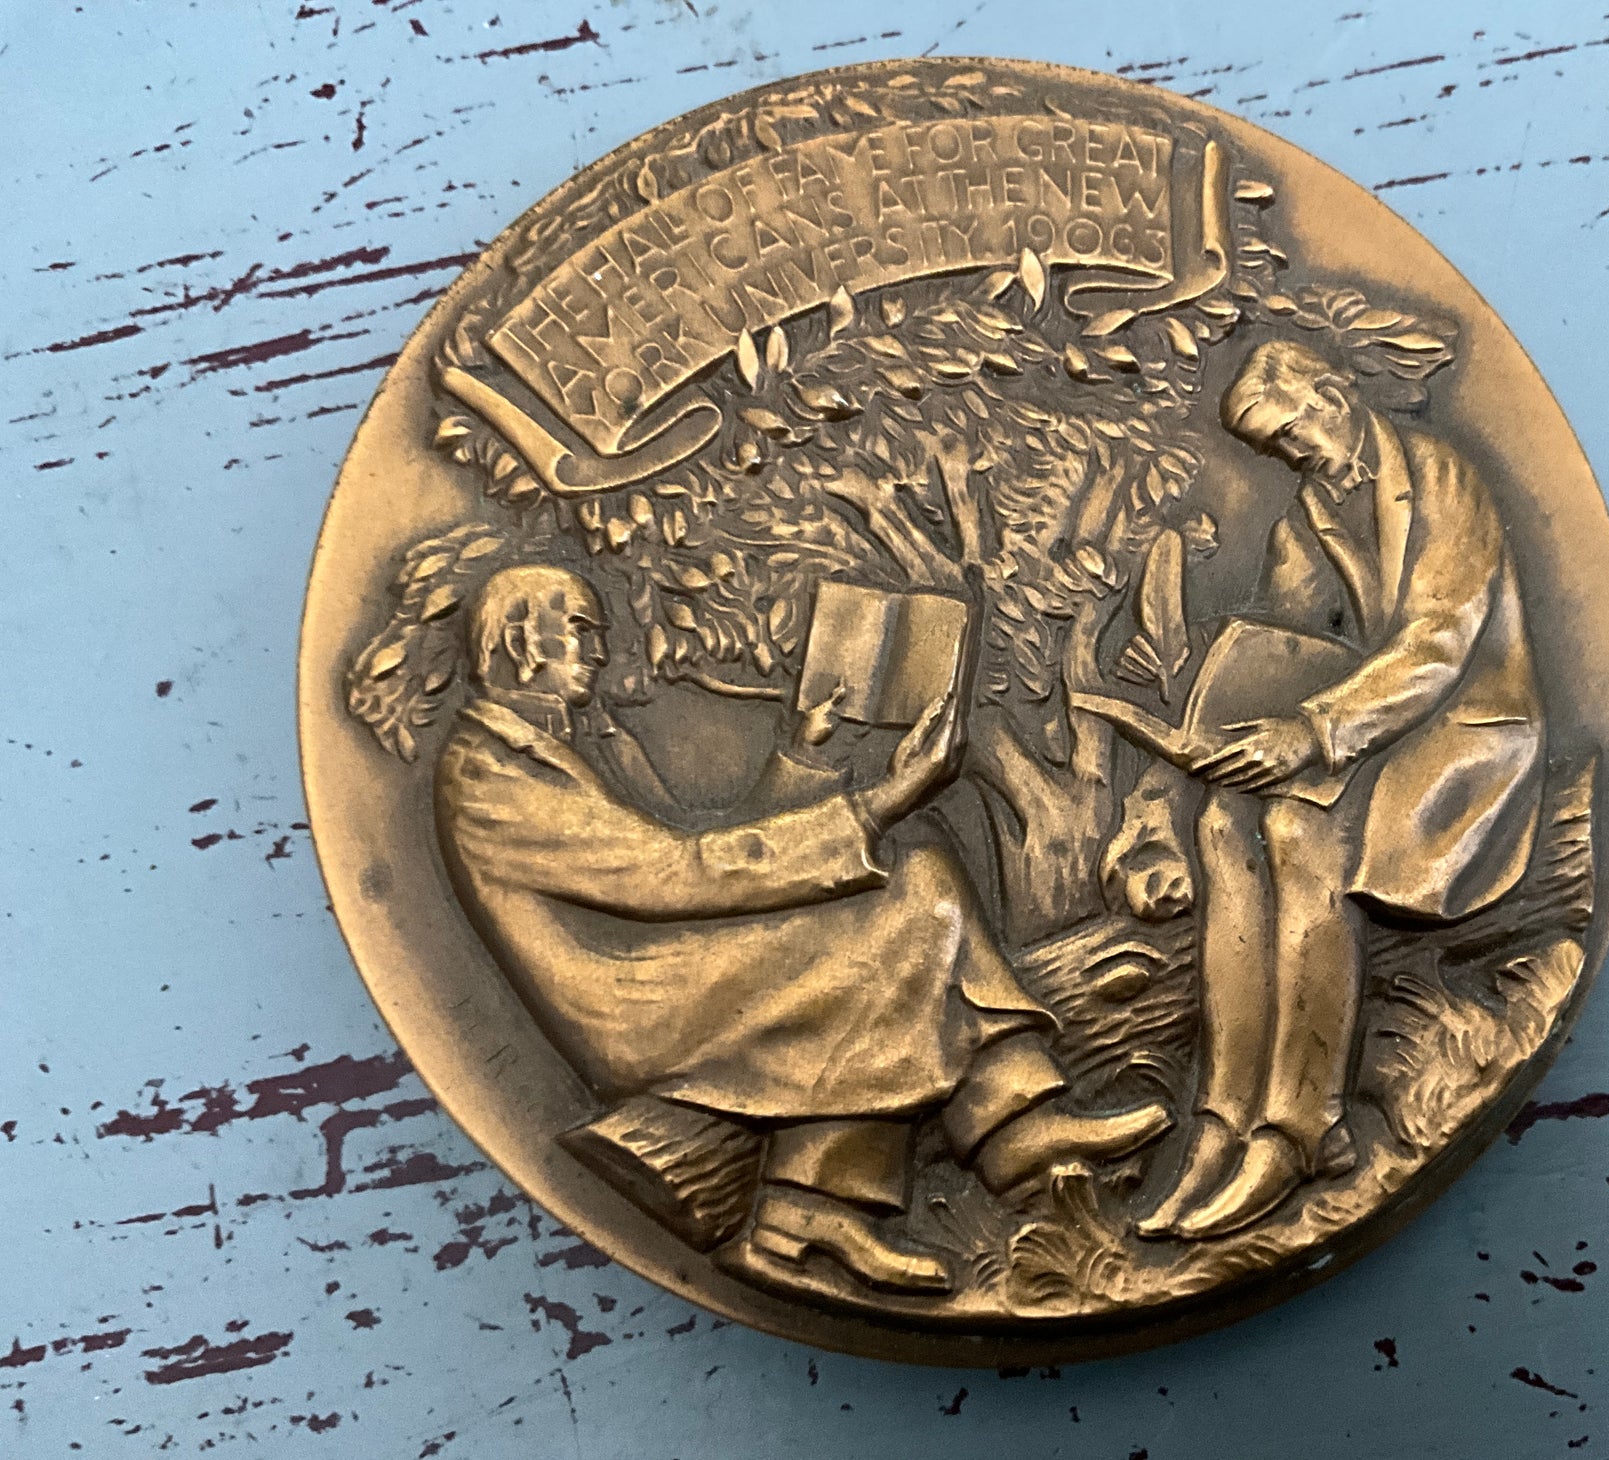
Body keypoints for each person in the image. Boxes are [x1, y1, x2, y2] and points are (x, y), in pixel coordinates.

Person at [435, 564, 1170, 1295]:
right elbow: (678, 873)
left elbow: (706, 845)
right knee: (901, 890)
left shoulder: (580, 743)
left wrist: (804, 754)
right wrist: (880, 801)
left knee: (913, 861)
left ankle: (857, 1193)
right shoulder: (489, 774)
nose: (598, 651)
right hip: (636, 997)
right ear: (521, 642)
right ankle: (968, 1139)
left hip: (671, 956)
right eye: (579, 630)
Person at [1132, 340, 1545, 1240]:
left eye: (1291, 433)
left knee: (1298, 833)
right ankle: (1225, 1118)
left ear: (1332, 392)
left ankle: (1302, 1126)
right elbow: (1280, 646)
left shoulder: (1443, 479)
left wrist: (1311, 732)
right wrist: (1219, 738)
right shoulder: (1309, 514)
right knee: (1222, 824)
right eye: (1272, 449)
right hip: (1355, 726)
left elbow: (1439, 639)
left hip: (1459, 726)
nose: (1291, 456)